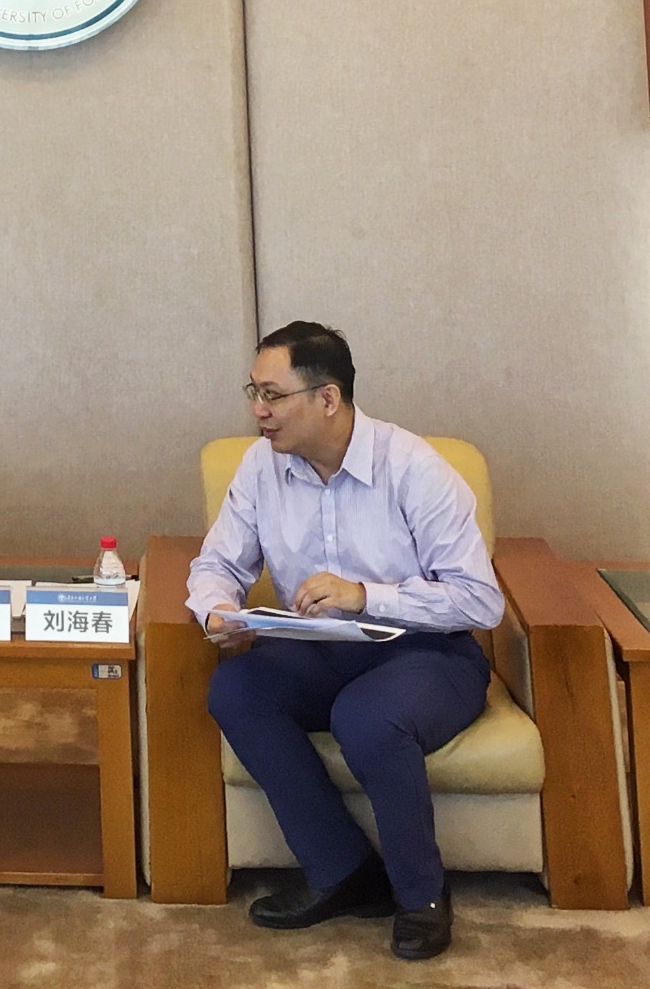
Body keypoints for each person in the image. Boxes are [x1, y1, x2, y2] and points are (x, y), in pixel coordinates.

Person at [186, 322, 503, 961]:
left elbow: (479, 600)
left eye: (273, 395)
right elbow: (218, 562)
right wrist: (216, 608)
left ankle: (422, 895)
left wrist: (366, 594)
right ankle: (342, 870)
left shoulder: (413, 468)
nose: (258, 410)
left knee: (366, 717)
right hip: (320, 648)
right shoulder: (261, 467)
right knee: (238, 688)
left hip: (429, 653)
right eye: (254, 392)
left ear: (327, 398)